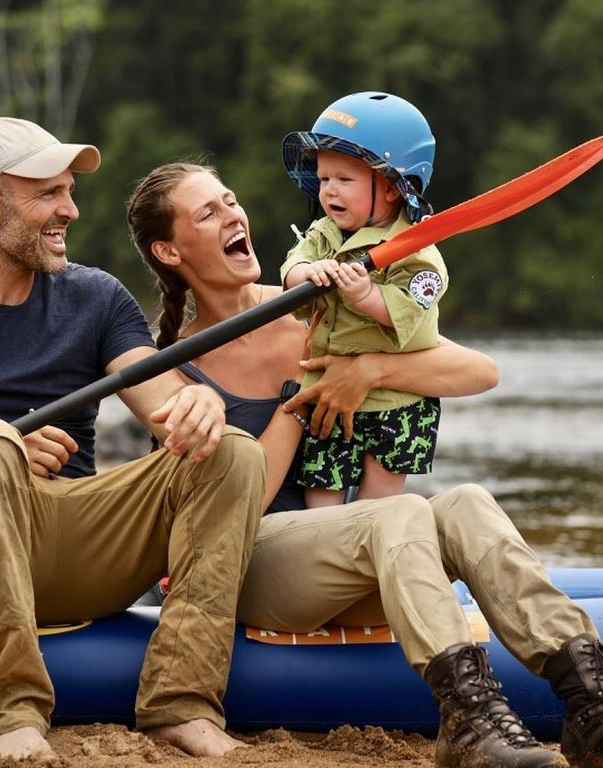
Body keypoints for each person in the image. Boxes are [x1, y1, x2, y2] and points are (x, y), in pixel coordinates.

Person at [127, 160, 603, 768]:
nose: (233, 215)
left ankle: (589, 702)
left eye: (230, 200)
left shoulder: (313, 306)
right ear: (169, 251)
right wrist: (301, 399)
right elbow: (235, 499)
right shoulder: (173, 369)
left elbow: (478, 371)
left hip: (350, 553)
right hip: (251, 561)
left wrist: (370, 370)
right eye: (207, 212)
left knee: (467, 503)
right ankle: (468, 719)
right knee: (398, 513)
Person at [0, 118, 269, 760]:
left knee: (232, 450)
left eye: (69, 191)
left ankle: (182, 705)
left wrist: (195, 402)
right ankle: (13, 714)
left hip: (76, 539)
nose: (70, 210)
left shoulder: (97, 298)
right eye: (48, 194)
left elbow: (162, 400)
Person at [282, 91, 447, 507]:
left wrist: (367, 294)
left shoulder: (417, 251)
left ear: (391, 189)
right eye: (324, 180)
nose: (329, 191)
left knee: (379, 498)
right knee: (322, 487)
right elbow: (293, 266)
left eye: (344, 180)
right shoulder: (324, 233)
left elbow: (405, 312)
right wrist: (307, 273)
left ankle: (371, 542)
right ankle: (325, 543)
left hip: (397, 402)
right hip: (329, 391)